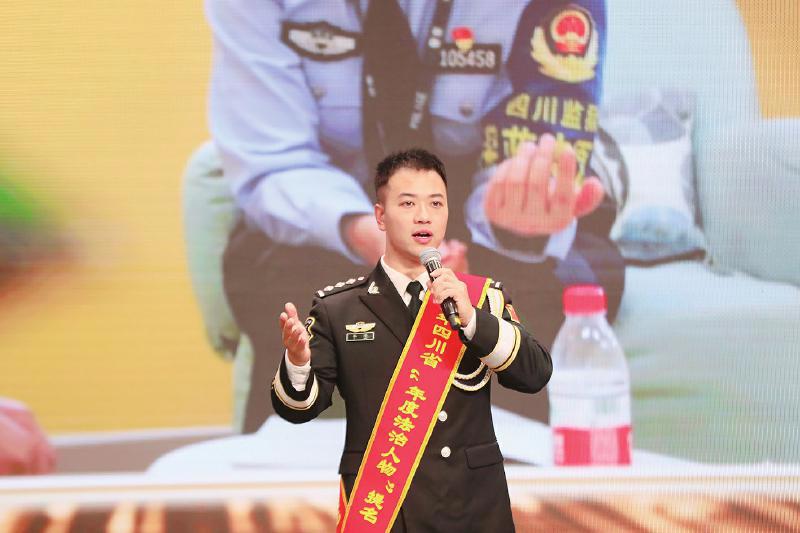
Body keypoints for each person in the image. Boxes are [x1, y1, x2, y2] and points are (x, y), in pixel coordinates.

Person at [204, 0, 624, 432]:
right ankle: (300, 465)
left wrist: (514, 221)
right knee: (289, 294)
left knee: (529, 295)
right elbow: (273, 160)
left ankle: (516, 466)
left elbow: (536, 141)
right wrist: (370, 235)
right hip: (338, 221)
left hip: (481, 221)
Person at [273, 149, 551, 532]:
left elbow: (535, 374)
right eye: (408, 203)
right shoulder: (338, 308)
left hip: (473, 509)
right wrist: (298, 362)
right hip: (388, 511)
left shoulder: (480, 298)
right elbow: (299, 409)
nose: (424, 216)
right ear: (380, 216)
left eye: (436, 203)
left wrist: (472, 321)